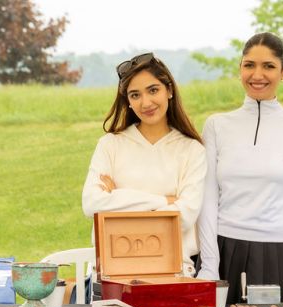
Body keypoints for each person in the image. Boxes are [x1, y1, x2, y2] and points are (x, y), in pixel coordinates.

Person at [197, 32, 283, 304]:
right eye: (249, 65)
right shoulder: (216, 126)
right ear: (240, 69)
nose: (257, 75)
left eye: (268, 66)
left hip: (281, 254)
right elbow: (206, 199)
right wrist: (208, 265)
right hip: (225, 250)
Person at [82, 53, 206, 275]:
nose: (146, 102)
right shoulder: (110, 145)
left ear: (169, 90)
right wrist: (164, 201)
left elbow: (184, 217)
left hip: (174, 272)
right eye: (135, 95)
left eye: (153, 90)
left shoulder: (192, 150)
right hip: (111, 272)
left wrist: (117, 200)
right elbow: (92, 203)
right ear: (128, 101)